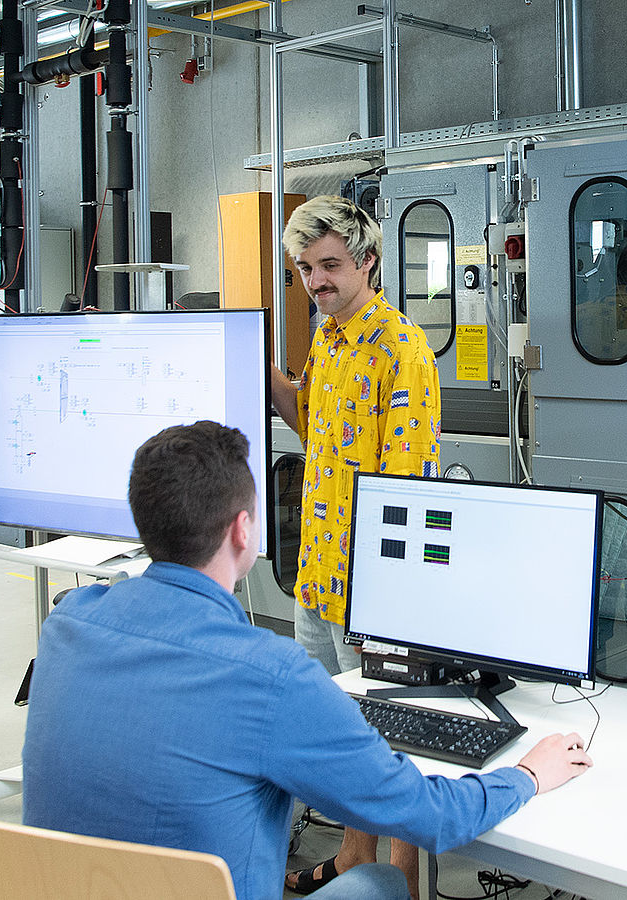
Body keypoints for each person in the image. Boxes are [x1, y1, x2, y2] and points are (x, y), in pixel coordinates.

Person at [21, 421, 591, 900]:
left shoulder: (67, 625)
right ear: (243, 530)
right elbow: (428, 816)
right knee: (383, 883)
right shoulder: (269, 676)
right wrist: (526, 775)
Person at [268, 195, 443, 895]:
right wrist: (255, 362)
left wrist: (389, 602)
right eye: (307, 268)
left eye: (331, 264)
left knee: (386, 740)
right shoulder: (329, 340)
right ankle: (351, 858)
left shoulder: (400, 347)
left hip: (368, 585)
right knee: (342, 736)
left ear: (368, 260)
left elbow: (407, 492)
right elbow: (310, 427)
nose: (317, 280)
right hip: (316, 575)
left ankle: (396, 878)